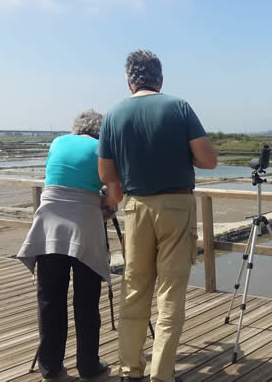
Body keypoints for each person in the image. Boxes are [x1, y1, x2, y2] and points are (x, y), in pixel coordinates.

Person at [97, 49, 217, 382]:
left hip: (136, 208)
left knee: (134, 290)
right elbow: (208, 161)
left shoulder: (114, 115)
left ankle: (129, 371)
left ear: (128, 80)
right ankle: (162, 375)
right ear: (160, 78)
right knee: (170, 292)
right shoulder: (179, 107)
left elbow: (108, 176)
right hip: (177, 206)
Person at [17, 110, 112, 382]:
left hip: (48, 228)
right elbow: (112, 191)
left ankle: (51, 367)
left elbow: (56, 179)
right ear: (101, 132)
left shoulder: (57, 142)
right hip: (84, 229)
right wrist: (103, 201)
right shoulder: (101, 148)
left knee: (49, 300)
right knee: (86, 301)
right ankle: (89, 365)